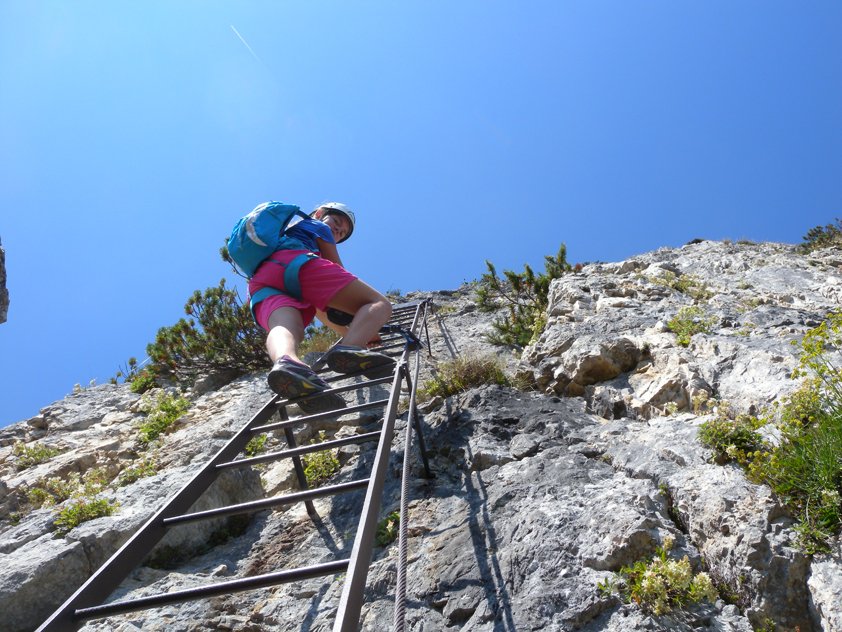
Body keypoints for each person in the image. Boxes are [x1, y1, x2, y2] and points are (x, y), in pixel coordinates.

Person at [248, 202, 394, 412]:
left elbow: (322, 312)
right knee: (379, 304)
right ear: (319, 213)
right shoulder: (318, 226)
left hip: (262, 281)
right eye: (337, 222)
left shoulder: (286, 233)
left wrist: (350, 333)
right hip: (297, 262)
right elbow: (337, 269)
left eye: (341, 233)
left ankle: (287, 362)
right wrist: (362, 333)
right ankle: (351, 349)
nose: (337, 230)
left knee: (286, 328)